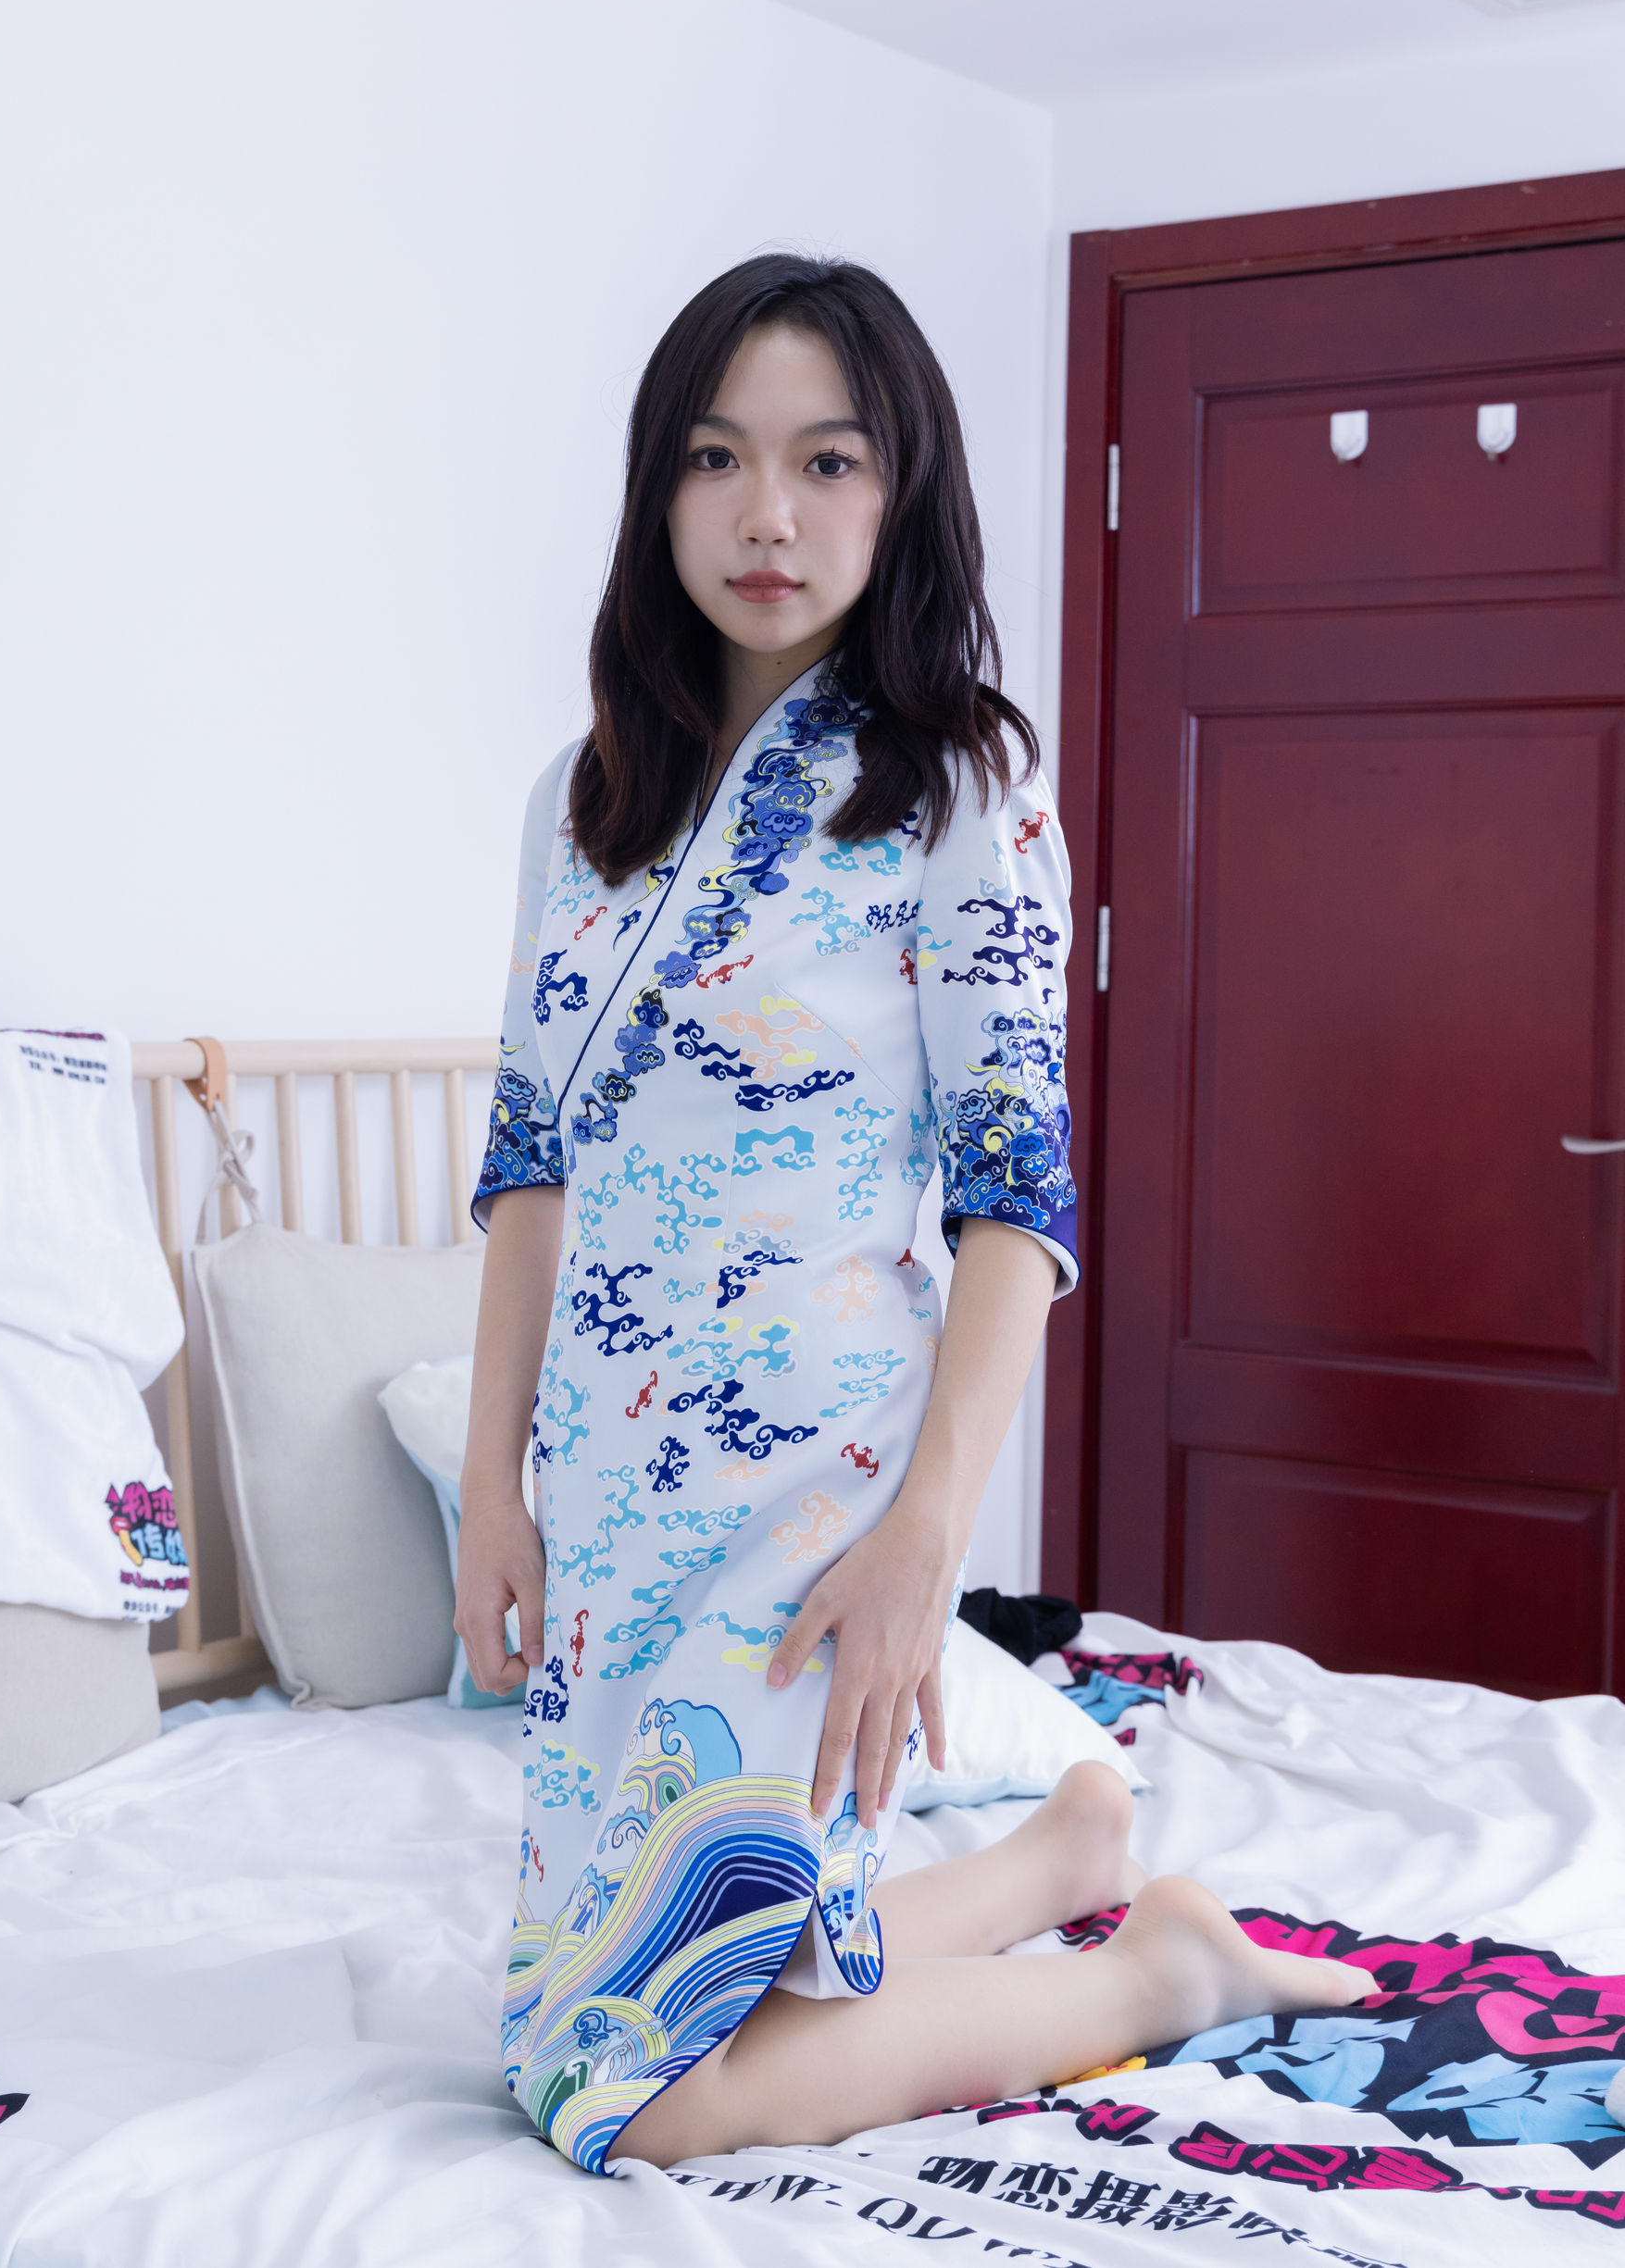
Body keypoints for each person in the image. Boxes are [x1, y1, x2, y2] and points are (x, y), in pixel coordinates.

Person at [455, 253, 1374, 2176]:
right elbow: (531, 1159)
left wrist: (924, 1544)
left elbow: (1016, 1198)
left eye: (827, 462)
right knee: (561, 2018)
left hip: (812, 1497)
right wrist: (489, 1486)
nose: (767, 515)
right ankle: (1058, 1859)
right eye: (716, 457)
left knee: (638, 2096)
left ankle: (1156, 1969)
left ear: (903, 493)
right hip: (612, 1495)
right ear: (659, 486)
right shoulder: (576, 803)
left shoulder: (960, 785)